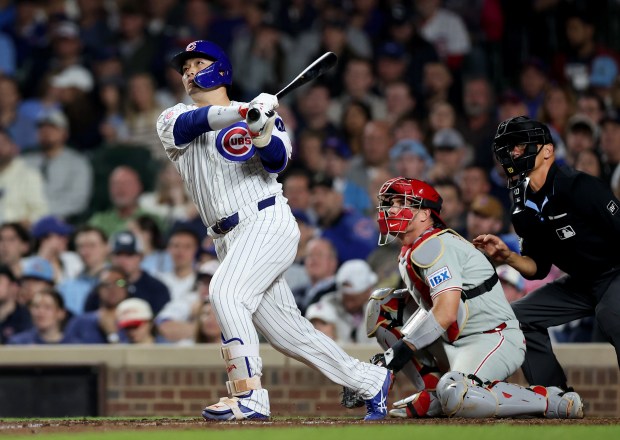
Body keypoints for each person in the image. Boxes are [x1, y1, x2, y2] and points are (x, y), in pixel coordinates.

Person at [156, 40, 391, 421]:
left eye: (198, 63)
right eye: (185, 67)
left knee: (225, 291)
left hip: (265, 221)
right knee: (287, 334)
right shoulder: (172, 116)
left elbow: (278, 161)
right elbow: (194, 123)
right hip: (226, 238)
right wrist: (241, 111)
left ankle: (248, 395)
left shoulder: (262, 114)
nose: (189, 72)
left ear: (220, 69)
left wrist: (261, 129)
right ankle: (369, 380)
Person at [356, 176, 582, 419]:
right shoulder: (412, 249)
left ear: (424, 214)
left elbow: (444, 313)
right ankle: (433, 392)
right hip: (453, 338)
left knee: (457, 395)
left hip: (491, 337)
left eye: (402, 203)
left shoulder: (435, 246)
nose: (391, 209)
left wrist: (395, 355)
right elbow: (425, 307)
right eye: (390, 202)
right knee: (383, 306)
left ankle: (551, 400)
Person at [473, 115, 620, 390]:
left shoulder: (580, 186)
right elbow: (538, 268)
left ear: (548, 151)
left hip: (615, 272)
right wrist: (507, 256)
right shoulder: (521, 204)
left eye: (519, 146)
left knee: (611, 312)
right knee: (515, 317)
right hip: (580, 282)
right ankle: (557, 399)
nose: (513, 153)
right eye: (509, 148)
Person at [8, 289, 75, 344]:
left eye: (47, 307)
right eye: (36, 307)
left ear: (61, 313)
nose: (40, 312)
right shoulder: (18, 343)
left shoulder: (74, 345)